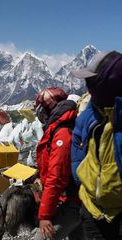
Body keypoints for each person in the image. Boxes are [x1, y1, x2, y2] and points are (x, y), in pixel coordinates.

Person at [71, 51, 122, 239]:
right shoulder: (90, 112)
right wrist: (83, 183)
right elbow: (77, 150)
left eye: (92, 81)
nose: (88, 86)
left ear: (108, 83)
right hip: (92, 208)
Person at [33, 87, 84, 240]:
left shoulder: (62, 131)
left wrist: (45, 215)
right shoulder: (67, 125)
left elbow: (57, 175)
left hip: (71, 202)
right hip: (79, 199)